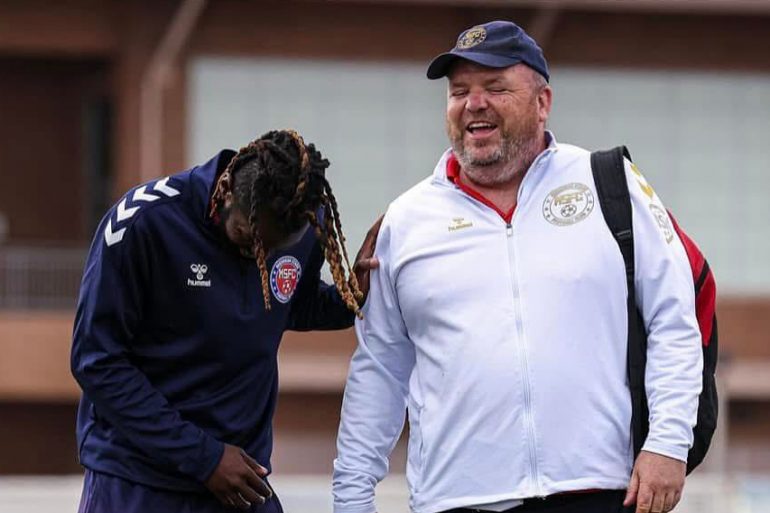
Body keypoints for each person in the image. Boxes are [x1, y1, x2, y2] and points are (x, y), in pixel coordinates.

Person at [332, 20, 703, 513]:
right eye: (459, 91)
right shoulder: (406, 221)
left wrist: (668, 443)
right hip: (457, 500)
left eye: (495, 87)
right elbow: (379, 368)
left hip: (598, 491)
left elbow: (675, 319)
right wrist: (351, 497)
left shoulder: (609, 185)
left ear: (542, 102)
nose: (473, 103)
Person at [71, 129, 379, 513]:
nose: (259, 259)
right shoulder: (142, 222)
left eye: (273, 250)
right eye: (248, 241)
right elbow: (97, 362)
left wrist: (349, 298)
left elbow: (286, 304)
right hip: (140, 481)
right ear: (226, 189)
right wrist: (203, 456)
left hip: (238, 482)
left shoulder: (302, 215)